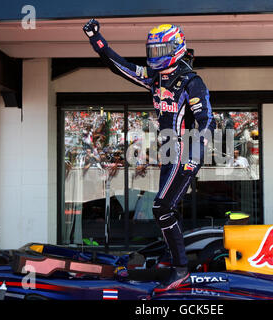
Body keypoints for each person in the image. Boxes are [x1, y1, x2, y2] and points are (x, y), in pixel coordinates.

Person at [83, 20, 216, 291]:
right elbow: (119, 65)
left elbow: (207, 122)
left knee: (162, 207)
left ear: (177, 47)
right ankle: (174, 259)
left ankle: (180, 269)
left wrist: (194, 154)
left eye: (162, 50)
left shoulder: (191, 81)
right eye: (152, 50)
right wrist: (96, 38)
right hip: (169, 151)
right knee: (166, 209)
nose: (156, 56)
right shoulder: (154, 77)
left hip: (186, 149)